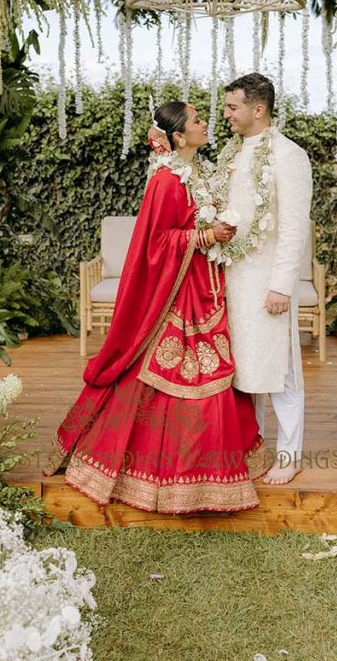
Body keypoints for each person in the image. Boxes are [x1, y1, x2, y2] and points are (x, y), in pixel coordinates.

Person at [42, 101, 268, 513]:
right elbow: (156, 242)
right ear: (179, 136)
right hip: (176, 294)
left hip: (203, 285)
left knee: (210, 371)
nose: (205, 124)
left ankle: (211, 473)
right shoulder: (166, 180)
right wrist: (206, 236)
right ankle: (155, 475)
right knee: (175, 375)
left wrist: (215, 231)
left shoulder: (194, 172)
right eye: (198, 120)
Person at [211, 73, 313, 485]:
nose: (226, 115)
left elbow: (294, 227)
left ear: (258, 109)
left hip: (267, 282)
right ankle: (251, 452)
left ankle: (290, 455)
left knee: (280, 371)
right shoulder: (231, 154)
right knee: (244, 371)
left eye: (233, 107)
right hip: (231, 278)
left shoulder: (290, 156)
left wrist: (281, 286)